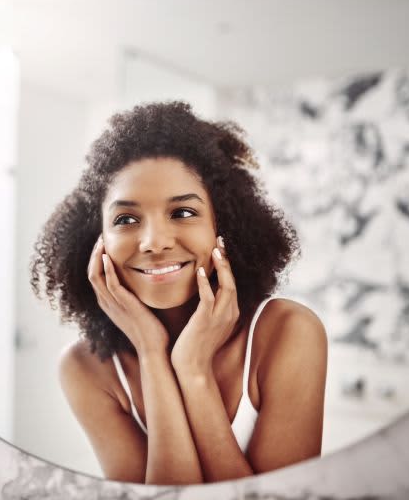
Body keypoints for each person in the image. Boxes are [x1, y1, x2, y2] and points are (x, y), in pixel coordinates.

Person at [31, 102, 328, 484]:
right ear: (96, 241)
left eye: (183, 213)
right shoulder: (86, 369)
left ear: (224, 225)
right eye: (126, 219)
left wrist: (193, 370)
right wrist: (152, 354)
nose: (154, 242)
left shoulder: (289, 332)